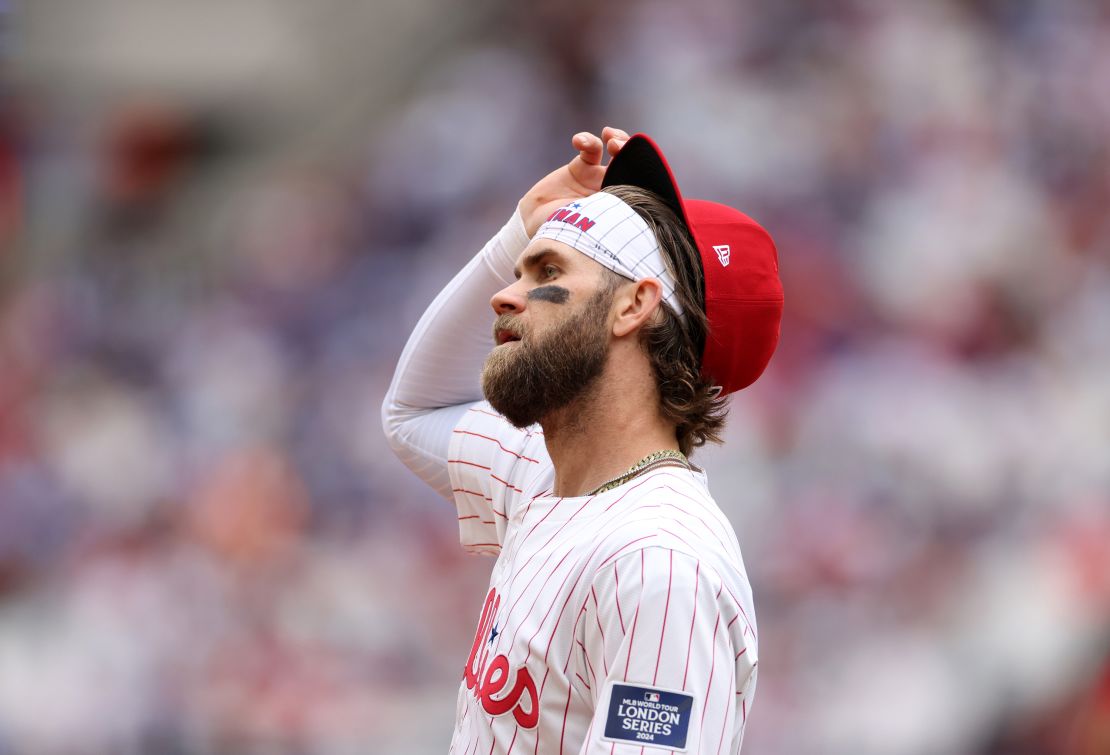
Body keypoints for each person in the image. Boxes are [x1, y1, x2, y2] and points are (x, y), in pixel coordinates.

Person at [382, 126, 783, 753]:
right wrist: (521, 229)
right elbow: (411, 412)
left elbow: (413, 410)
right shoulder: (547, 474)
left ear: (632, 308)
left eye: (546, 270)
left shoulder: (661, 562)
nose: (503, 294)